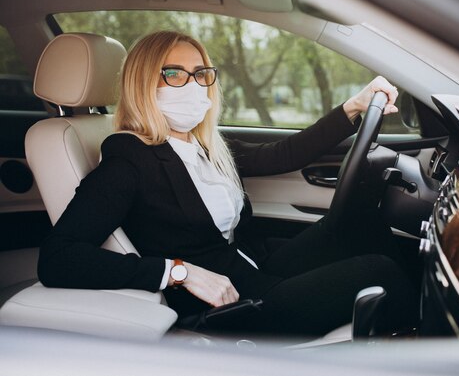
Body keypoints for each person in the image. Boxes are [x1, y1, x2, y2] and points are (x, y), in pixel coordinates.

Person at [38, 31, 418, 337]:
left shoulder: (205, 143)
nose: (193, 85)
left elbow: (282, 154)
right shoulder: (128, 156)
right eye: (173, 74)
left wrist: (353, 108)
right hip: (228, 303)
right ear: (143, 83)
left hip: (253, 264)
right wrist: (178, 272)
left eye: (201, 73)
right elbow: (58, 258)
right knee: (377, 271)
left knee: (360, 223)